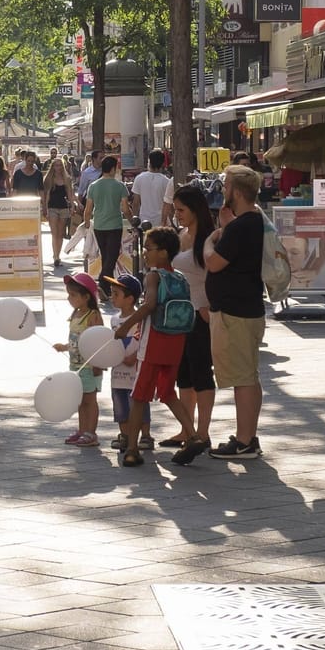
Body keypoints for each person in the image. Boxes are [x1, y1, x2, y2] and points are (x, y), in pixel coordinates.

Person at [203, 165, 269, 460]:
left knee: (242, 378)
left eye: (226, 185)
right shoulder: (251, 221)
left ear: (237, 192)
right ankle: (248, 438)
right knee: (249, 376)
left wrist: (210, 241)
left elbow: (214, 262)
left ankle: (244, 442)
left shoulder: (243, 226)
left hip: (236, 313)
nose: (222, 190)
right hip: (245, 308)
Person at [113, 228, 190, 469]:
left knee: (138, 397)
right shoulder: (179, 277)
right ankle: (194, 435)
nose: (144, 253)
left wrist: (126, 326)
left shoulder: (154, 276)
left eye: (148, 249)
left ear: (164, 252)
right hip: (176, 342)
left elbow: (150, 305)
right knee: (167, 392)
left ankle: (133, 449)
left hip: (154, 343)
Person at [165, 184, 219, 463]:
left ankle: (203, 431)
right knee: (183, 374)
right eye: (175, 210)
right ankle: (186, 430)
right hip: (180, 315)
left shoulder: (210, 239)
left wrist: (209, 307)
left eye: (181, 210)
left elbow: (217, 276)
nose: (178, 215)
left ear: (196, 210)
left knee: (201, 373)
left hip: (202, 313)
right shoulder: (182, 235)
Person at [52, 272, 103, 446]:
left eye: (73, 295)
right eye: (68, 294)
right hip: (75, 365)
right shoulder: (75, 315)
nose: (69, 298)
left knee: (90, 400)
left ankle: (91, 432)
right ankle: (82, 430)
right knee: (80, 401)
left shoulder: (93, 316)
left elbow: (99, 341)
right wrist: (64, 347)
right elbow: (75, 339)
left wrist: (98, 364)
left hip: (89, 367)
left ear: (86, 296)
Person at [100, 274, 149, 452]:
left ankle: (145, 435)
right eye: (112, 293)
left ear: (130, 298)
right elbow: (110, 342)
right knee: (120, 405)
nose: (112, 298)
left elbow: (145, 341)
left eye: (116, 294)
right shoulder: (114, 320)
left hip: (136, 372)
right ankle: (125, 435)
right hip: (117, 372)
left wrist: (135, 356)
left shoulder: (140, 319)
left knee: (139, 403)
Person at [83, 156, 129, 277]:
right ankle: (104, 282)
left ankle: (107, 286)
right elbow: (125, 208)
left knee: (106, 256)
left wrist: (87, 222)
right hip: (115, 226)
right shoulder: (120, 186)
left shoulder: (93, 186)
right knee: (112, 257)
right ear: (113, 169)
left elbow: (88, 209)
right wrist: (132, 220)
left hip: (99, 225)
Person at [129, 150, 175, 230]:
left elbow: (136, 203)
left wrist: (134, 221)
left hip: (143, 221)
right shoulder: (166, 181)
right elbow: (169, 206)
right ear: (162, 163)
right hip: (161, 222)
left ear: (149, 162)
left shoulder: (139, 178)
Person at [41, 155, 73, 268]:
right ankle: (55, 256)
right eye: (56, 165)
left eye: (60, 165)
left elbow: (70, 193)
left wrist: (72, 206)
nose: (58, 167)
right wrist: (45, 208)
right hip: (52, 208)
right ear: (53, 166)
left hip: (64, 207)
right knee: (54, 233)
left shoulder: (67, 178)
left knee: (60, 233)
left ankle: (58, 256)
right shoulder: (49, 178)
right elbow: (47, 195)